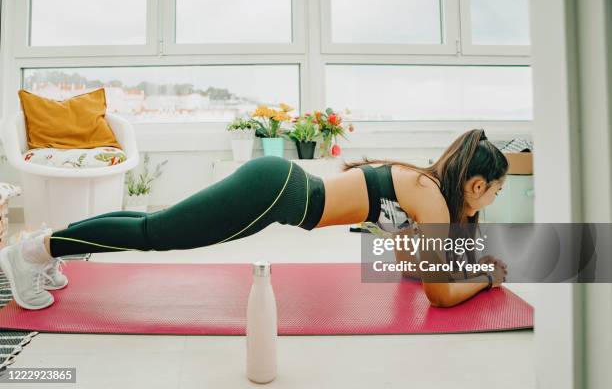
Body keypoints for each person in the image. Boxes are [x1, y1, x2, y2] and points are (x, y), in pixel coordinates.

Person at [0, 128, 508, 310]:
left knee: (154, 225)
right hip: (276, 193)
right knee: (156, 234)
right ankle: (32, 252)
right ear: (477, 185)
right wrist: (485, 277)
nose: (493, 202)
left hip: (278, 189)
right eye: (496, 192)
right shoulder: (434, 200)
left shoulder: (424, 188)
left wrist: (445, 265)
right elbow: (438, 297)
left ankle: (45, 245)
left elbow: (409, 269)